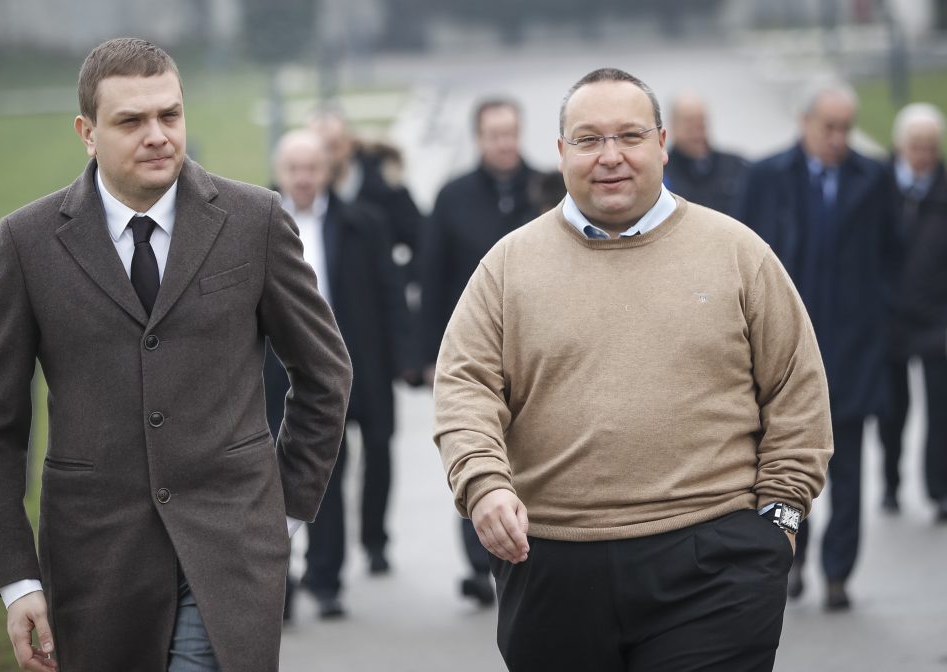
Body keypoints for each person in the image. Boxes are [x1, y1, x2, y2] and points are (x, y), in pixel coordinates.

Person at [0, 38, 352, 672]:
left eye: (170, 114)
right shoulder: (28, 243)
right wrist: (17, 580)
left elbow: (324, 373)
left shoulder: (254, 220)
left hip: (232, 553)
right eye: (131, 121)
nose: (158, 136)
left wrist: (282, 513)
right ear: (87, 133)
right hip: (95, 564)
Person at [433, 67, 832, 671]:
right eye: (589, 139)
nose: (610, 156)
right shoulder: (507, 267)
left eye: (630, 136)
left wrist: (779, 520)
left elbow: (796, 390)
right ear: (561, 152)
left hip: (714, 561)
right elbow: (464, 388)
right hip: (552, 565)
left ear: (662, 144)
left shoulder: (738, 253)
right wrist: (483, 483)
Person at [736, 80, 900, 610]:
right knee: (785, 472)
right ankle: (791, 558)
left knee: (847, 472)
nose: (838, 138)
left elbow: (892, 253)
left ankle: (837, 574)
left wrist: (881, 322)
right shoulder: (766, 177)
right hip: (781, 360)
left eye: (846, 128)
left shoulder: (872, 178)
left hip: (853, 354)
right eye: (829, 127)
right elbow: (740, 259)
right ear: (805, 122)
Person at [265, 129, 410, 618]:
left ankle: (326, 578)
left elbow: (389, 291)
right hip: (278, 370)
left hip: (348, 364)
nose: (303, 178)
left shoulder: (361, 223)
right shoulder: (258, 223)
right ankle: (282, 586)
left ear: (327, 172)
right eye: (294, 169)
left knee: (338, 465)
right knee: (279, 476)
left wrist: (402, 357)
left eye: (312, 168)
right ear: (280, 173)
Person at [418, 97, 543, 606]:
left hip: (537, 346)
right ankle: (479, 560)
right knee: (476, 444)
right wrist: (428, 355)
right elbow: (431, 276)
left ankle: (530, 546)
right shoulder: (453, 197)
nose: (504, 143)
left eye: (510, 133)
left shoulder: (546, 188)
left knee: (531, 450)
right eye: (495, 135)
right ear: (478, 139)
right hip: (474, 349)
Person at [878, 102, 947, 522]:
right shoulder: (880, 184)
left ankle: (939, 490)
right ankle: (891, 483)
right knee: (892, 408)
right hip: (890, 315)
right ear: (900, 146)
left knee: (940, 408)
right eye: (915, 145)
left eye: (930, 146)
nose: (923, 154)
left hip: (938, 317)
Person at [308, 109, 424, 277]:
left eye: (333, 146)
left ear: (349, 144)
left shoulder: (386, 188)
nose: (326, 157)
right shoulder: (299, 196)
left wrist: (397, 276)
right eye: (318, 149)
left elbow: (420, 241)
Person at [663, 92, 748, 216]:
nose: (697, 130)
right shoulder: (661, 172)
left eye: (701, 121)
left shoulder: (736, 166)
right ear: (673, 126)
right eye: (689, 122)